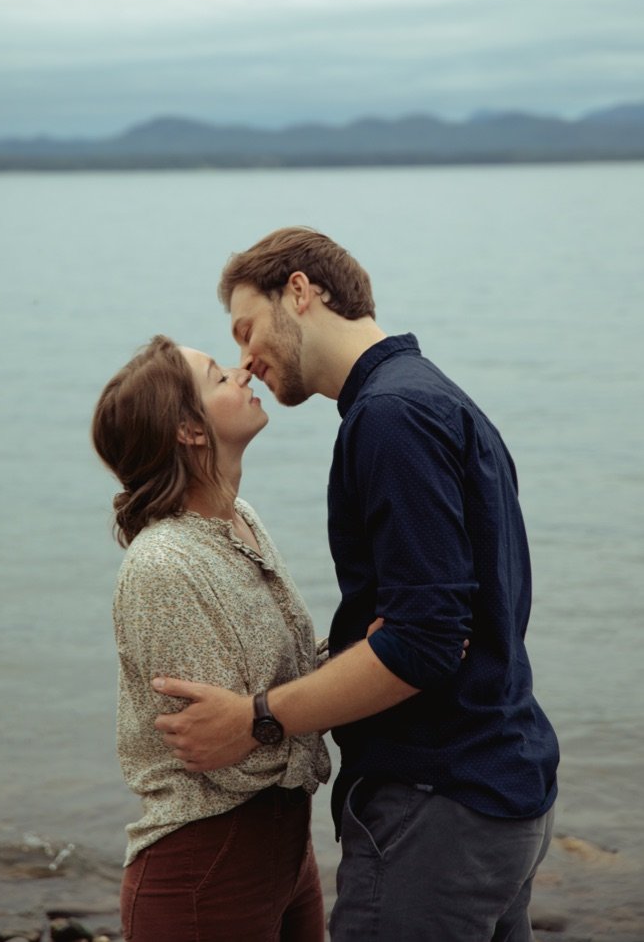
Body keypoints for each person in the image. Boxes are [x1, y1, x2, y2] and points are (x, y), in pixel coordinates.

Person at [152, 228, 559, 941]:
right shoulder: (435, 398)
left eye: (246, 329)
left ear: (301, 292)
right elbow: (456, 618)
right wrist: (356, 644)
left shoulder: (390, 416)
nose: (245, 358)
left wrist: (256, 716)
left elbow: (426, 644)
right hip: (502, 783)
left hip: (438, 799)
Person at [92, 335, 331, 942]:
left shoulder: (239, 518)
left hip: (283, 852)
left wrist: (371, 654)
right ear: (188, 431)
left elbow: (266, 703)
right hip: (206, 868)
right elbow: (230, 763)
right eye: (217, 376)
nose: (243, 370)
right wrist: (360, 691)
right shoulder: (163, 566)